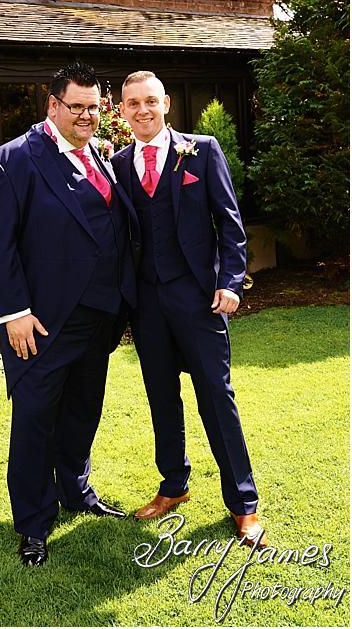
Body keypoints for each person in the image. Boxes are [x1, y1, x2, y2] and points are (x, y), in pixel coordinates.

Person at [0, 60, 137, 566]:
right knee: (34, 423)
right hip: (41, 323)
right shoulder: (11, 162)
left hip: (99, 317)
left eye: (94, 108)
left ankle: (76, 491)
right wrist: (15, 312)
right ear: (53, 105)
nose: (87, 117)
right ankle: (33, 522)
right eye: (77, 108)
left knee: (83, 411)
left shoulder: (103, 157)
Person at [112, 71, 264, 547]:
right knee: (161, 397)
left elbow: (230, 224)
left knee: (217, 399)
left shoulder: (202, 149)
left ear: (167, 103)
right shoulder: (117, 163)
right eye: (133, 103)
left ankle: (244, 504)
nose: (142, 110)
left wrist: (231, 283)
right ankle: (173, 486)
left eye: (150, 102)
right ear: (122, 110)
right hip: (148, 304)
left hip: (199, 299)